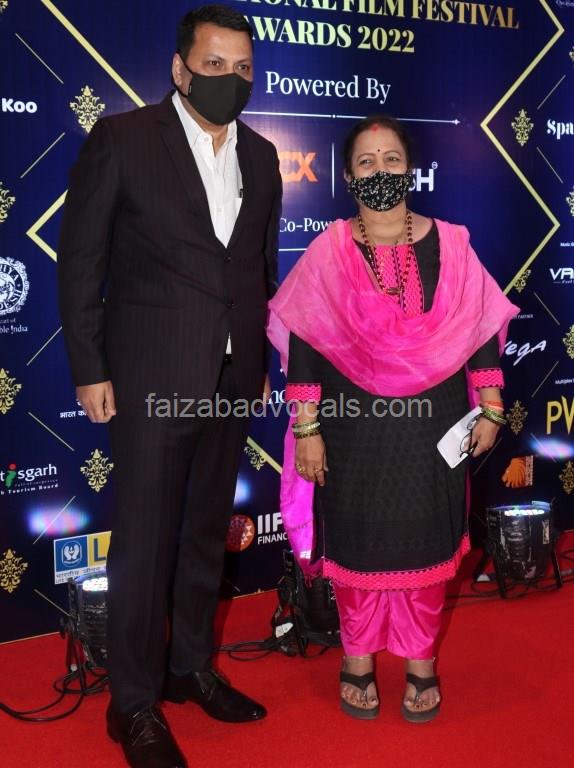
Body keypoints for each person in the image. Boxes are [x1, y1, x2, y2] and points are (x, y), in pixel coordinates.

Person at [58, 5, 282, 767]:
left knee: (204, 532)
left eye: (243, 68)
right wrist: (90, 368)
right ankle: (132, 703)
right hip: (151, 376)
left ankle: (188, 667)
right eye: (215, 65)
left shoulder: (262, 155)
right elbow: (81, 262)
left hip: (231, 376)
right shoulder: (122, 140)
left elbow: (257, 269)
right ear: (181, 69)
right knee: (145, 540)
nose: (231, 79)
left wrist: (257, 363)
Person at [267, 115, 518, 723]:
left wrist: (490, 405)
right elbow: (305, 344)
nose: (380, 171)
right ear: (348, 176)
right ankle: (357, 656)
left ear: (411, 169)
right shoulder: (328, 251)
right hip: (353, 426)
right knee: (358, 544)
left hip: (433, 425)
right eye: (367, 162)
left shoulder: (451, 244)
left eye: (391, 159)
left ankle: (420, 660)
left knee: (426, 541)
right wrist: (307, 429)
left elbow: (480, 327)